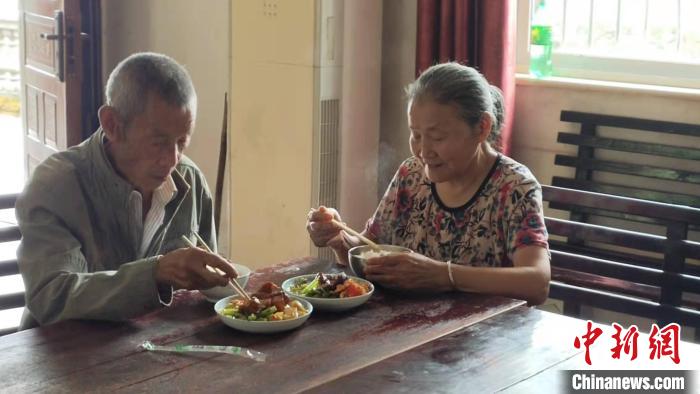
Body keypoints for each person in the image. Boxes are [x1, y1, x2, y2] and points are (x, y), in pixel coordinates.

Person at [15, 52, 237, 329]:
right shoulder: (56, 186)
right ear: (112, 124)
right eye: (158, 143)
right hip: (64, 359)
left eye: (182, 142)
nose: (172, 159)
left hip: (154, 355)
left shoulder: (188, 181)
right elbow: (53, 297)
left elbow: (203, 292)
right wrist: (155, 274)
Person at [307, 62, 550, 305]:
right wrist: (339, 237)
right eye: (416, 135)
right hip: (408, 327)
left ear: (482, 128)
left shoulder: (514, 188)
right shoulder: (411, 175)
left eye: (437, 137)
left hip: (486, 336)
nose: (423, 151)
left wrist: (445, 275)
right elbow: (373, 248)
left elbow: (537, 282)